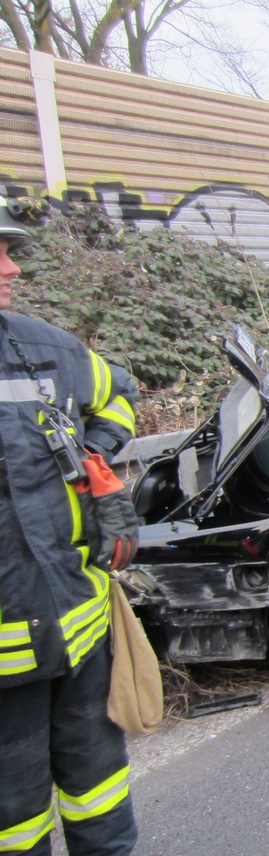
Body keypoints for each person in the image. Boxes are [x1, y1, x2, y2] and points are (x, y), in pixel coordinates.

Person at [0, 196, 140, 856]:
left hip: (77, 635)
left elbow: (116, 394)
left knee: (101, 796)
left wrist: (97, 456)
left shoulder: (44, 350)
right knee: (14, 823)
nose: (12, 270)